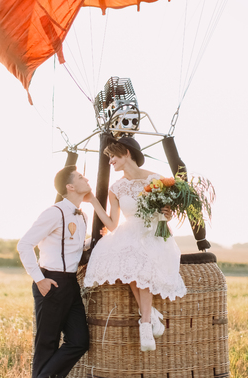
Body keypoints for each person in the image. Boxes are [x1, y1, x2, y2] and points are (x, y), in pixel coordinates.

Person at [84, 136, 187, 352]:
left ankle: (146, 322)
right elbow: (113, 224)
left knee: (141, 256)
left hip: (154, 233)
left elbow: (166, 214)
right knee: (129, 256)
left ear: (127, 153)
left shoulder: (157, 180)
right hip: (129, 232)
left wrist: (167, 214)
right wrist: (93, 200)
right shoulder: (116, 188)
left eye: (113, 156)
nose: (110, 161)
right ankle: (148, 320)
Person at [17, 166, 90, 378]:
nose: (86, 179)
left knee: (79, 341)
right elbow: (24, 244)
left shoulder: (83, 216)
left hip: (71, 283)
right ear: (70, 186)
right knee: (46, 344)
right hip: (51, 281)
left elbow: (73, 248)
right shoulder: (54, 212)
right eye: (80, 177)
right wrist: (40, 280)